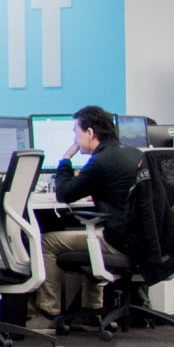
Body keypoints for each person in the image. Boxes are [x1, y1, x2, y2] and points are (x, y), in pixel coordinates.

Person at [35, 105, 143, 322]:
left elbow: (65, 193)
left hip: (119, 240)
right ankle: (92, 312)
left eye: (76, 133)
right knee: (92, 233)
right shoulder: (134, 154)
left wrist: (65, 159)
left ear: (90, 133)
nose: (75, 139)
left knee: (47, 242)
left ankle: (47, 314)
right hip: (141, 238)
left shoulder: (102, 161)